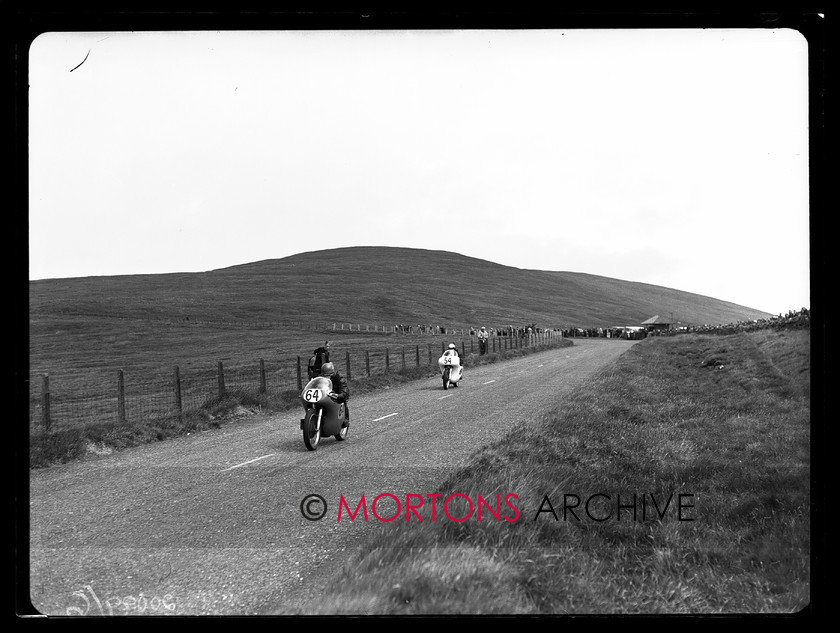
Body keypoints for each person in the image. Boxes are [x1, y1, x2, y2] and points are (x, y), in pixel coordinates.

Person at [320, 362, 350, 426]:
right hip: (324, 396)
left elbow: (345, 391)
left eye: (328, 375)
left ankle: (345, 419)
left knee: (343, 400)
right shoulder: (320, 379)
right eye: (324, 375)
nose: (326, 377)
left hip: (335, 397)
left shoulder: (339, 378)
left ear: (332, 374)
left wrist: (339, 396)